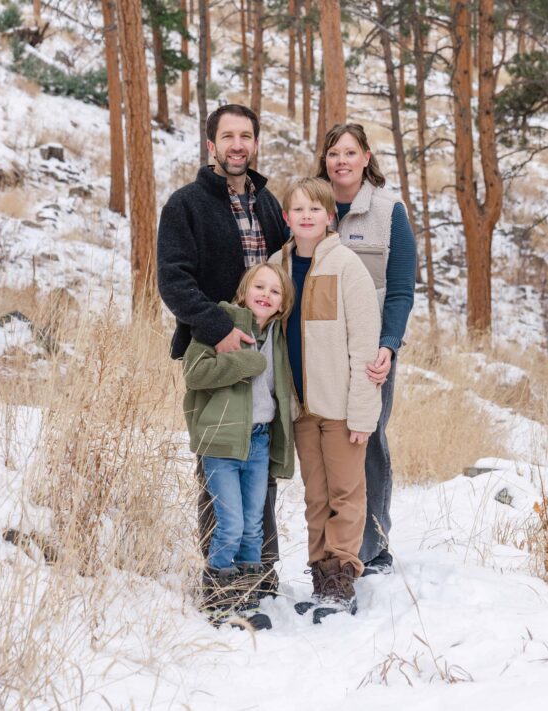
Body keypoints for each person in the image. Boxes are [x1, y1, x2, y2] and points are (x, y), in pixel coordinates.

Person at [157, 104, 288, 596]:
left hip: (268, 353)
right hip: (215, 353)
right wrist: (217, 329)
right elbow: (172, 280)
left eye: (246, 136)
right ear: (211, 145)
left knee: (260, 466)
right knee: (220, 469)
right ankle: (221, 585)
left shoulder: (268, 204)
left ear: (255, 143)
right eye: (228, 136)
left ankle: (260, 576)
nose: (238, 145)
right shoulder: (186, 204)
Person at [270, 177, 381, 622]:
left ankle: (342, 578)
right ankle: (321, 575)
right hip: (301, 408)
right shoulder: (277, 264)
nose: (307, 217)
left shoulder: (346, 265)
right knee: (315, 496)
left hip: (339, 407)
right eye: (297, 210)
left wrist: (362, 411)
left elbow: (363, 345)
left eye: (315, 210)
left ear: (329, 215)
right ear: (286, 218)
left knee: (345, 493)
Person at [316, 123, 417, 576]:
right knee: (325, 443)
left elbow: (399, 290)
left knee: (369, 438)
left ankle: (374, 546)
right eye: (333, 152)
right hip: (320, 350)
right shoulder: (312, 204)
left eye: (350, 152)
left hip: (371, 353)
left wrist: (388, 346)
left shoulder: (388, 209)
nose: (341, 161)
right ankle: (332, 548)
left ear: (366, 157)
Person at [181, 263, 296, 628]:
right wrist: (246, 362)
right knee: (229, 524)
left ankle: (247, 596)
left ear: (282, 303)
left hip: (259, 440)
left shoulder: (279, 336)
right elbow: (195, 373)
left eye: (275, 291)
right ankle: (217, 597)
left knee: (252, 526)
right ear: (244, 291)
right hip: (222, 439)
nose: (266, 295)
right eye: (259, 286)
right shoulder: (221, 322)